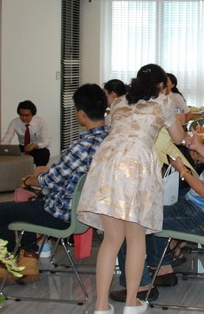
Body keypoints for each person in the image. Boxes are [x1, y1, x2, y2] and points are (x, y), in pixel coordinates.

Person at [108, 87, 204, 306]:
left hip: (202, 215)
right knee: (157, 205)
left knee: (131, 220)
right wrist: (200, 148)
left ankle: (140, 286)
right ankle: (163, 269)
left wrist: (183, 171)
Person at [78, 64, 187, 314]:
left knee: (111, 239)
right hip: (136, 163)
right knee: (136, 238)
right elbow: (178, 138)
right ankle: (131, 302)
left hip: (107, 161)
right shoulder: (164, 101)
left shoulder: (118, 101)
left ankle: (101, 306)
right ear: (162, 85)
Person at [0, 84, 108, 285]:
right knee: (30, 204)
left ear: (82, 114)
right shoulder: (109, 140)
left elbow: (50, 181)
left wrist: (29, 180)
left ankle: (6, 267)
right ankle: (28, 262)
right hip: (90, 210)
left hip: (62, 215)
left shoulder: (82, 146)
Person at [0, 100, 52, 166]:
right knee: (10, 153)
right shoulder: (14, 122)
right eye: (21, 115)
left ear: (32, 115)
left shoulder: (40, 122)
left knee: (44, 153)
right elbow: (7, 138)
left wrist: (36, 145)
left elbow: (46, 141)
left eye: (27, 115)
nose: (24, 118)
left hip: (36, 147)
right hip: (22, 147)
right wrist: (1, 148)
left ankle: (39, 171)